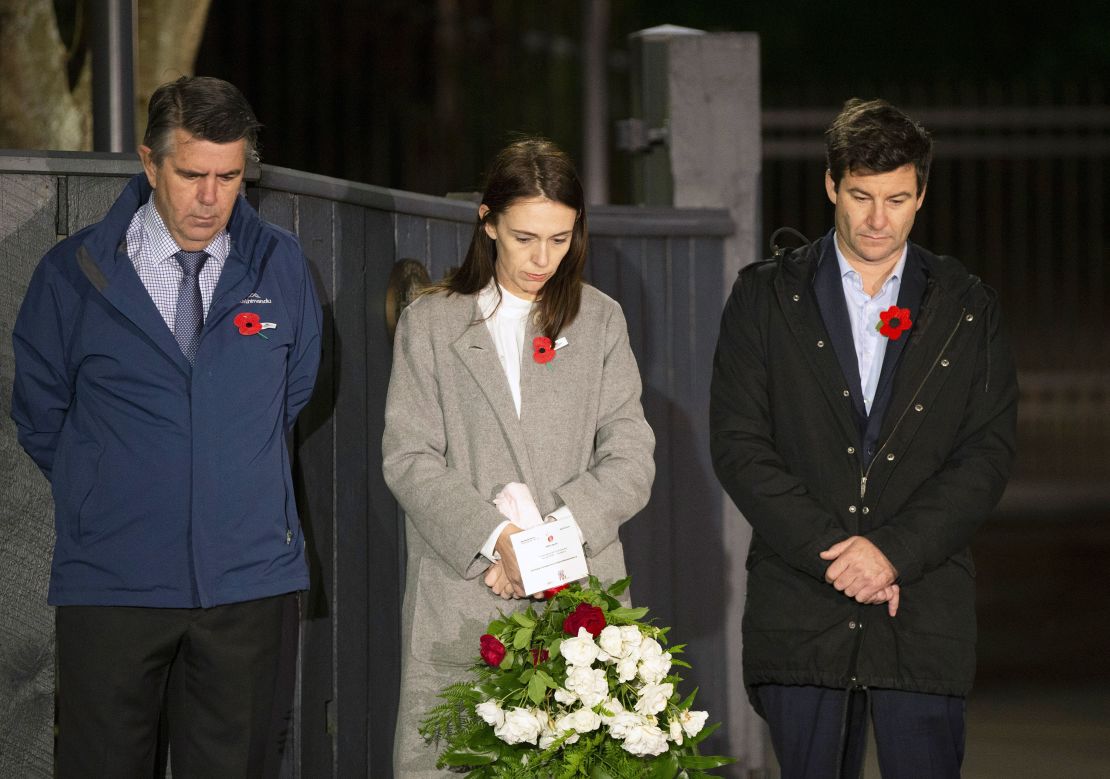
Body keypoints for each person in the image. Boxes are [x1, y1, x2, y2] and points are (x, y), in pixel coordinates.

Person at [11, 76, 322, 777]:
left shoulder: (282, 266)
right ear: (151, 165)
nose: (210, 198)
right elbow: (40, 413)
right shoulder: (72, 275)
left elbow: (293, 390)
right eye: (191, 175)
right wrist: (110, 490)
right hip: (112, 585)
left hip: (247, 585)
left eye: (230, 176)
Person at [709, 98, 1018, 778]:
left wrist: (892, 554)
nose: (879, 219)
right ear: (830, 186)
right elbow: (738, 442)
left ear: (921, 194)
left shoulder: (969, 308)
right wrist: (841, 559)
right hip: (803, 605)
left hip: (923, 606)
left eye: (898, 198)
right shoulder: (763, 299)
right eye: (861, 196)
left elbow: (987, 453)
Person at [382, 138, 655, 776]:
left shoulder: (602, 320)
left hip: (579, 600)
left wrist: (543, 547)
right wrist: (496, 538)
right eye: (526, 237)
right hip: (462, 600)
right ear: (488, 221)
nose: (543, 258)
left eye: (560, 239)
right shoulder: (430, 322)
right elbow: (408, 456)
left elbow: (631, 452)